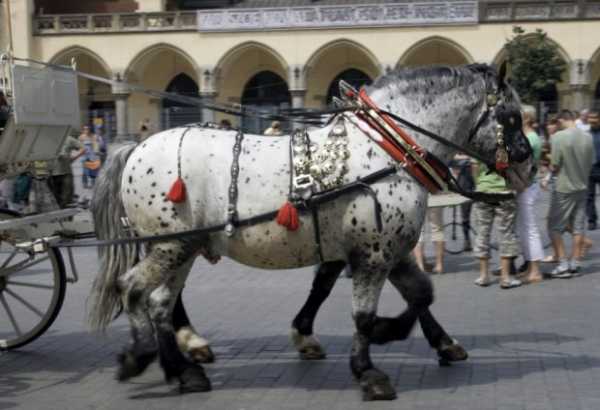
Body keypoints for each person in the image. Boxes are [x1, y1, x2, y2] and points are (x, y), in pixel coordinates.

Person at [547, 109, 595, 277]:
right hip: (582, 186)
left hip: (564, 187)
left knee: (553, 226)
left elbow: (555, 165)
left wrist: (548, 170)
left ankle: (562, 263)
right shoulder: (588, 138)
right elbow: (591, 163)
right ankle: (575, 262)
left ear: (561, 120)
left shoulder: (559, 137)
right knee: (578, 227)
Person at [472, 161, 522, 289]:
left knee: (482, 233)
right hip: (504, 190)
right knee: (506, 233)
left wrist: (480, 183)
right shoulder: (510, 142)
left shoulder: (480, 142)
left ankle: (484, 276)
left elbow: (475, 167)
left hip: (483, 191)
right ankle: (505, 278)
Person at [516, 105, 545, 283]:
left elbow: (527, 166)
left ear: (526, 119)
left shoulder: (531, 139)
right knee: (525, 229)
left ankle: (535, 271)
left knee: (530, 229)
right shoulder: (529, 137)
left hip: (526, 187)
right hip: (526, 186)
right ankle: (530, 268)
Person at [48, 133, 85, 208]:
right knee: (56, 200)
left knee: (67, 199)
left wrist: (73, 158)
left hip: (66, 173)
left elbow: (83, 148)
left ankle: (68, 218)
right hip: (52, 173)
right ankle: (60, 217)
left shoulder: (69, 139)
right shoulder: (48, 138)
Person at [413, 207, 445, 274]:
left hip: (418, 199)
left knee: (419, 230)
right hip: (435, 198)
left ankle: (420, 266)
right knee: (438, 229)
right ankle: (439, 265)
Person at [586, 110, 600, 230]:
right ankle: (592, 220)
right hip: (589, 169)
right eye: (590, 118)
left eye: (594, 118)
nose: (592, 120)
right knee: (589, 196)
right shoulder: (586, 135)